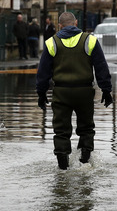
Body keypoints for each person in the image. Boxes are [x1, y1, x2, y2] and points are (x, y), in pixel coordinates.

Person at [36, 12, 113, 170]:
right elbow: (101, 68)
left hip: (61, 92)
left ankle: (63, 167)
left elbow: (43, 73)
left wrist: (41, 93)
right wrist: (106, 90)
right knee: (86, 128)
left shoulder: (52, 42)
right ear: (76, 23)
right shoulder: (90, 40)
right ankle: (84, 163)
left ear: (59, 25)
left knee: (61, 130)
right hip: (84, 92)